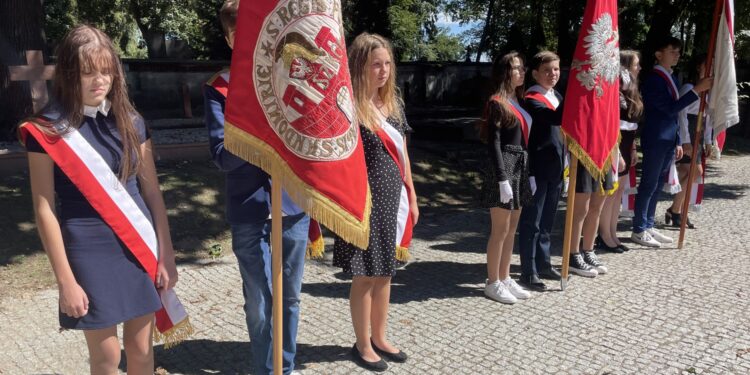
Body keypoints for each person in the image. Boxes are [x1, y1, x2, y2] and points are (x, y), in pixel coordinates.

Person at [20, 25, 177, 374]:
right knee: (106, 358)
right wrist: (65, 281)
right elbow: (44, 207)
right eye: (88, 72)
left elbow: (152, 192)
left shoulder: (133, 122)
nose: (99, 80)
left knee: (141, 351)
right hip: (87, 247)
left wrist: (166, 253)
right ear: (68, 74)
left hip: (138, 244)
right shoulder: (46, 130)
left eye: (106, 70)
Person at [203, 1, 310, 374]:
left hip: (293, 207)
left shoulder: (288, 81)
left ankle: (287, 366)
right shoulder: (219, 88)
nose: (245, 38)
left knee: (290, 296)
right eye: (237, 33)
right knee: (260, 302)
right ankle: (266, 371)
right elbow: (221, 154)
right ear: (230, 38)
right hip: (249, 208)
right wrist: (258, 136)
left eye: (253, 30)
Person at [333, 32, 418, 372]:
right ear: (359, 66)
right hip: (362, 202)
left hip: (392, 200)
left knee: (385, 274)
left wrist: (412, 194)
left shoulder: (393, 103)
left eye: (386, 64)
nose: (383, 71)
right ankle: (362, 343)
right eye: (375, 65)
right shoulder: (348, 107)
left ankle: (381, 337)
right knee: (364, 276)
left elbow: (404, 154)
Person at [631, 36, 712, 247]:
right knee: (648, 183)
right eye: (672, 51)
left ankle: (648, 224)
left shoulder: (671, 78)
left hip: (668, 138)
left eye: (678, 52)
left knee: (657, 184)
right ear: (659, 55)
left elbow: (675, 115)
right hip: (656, 136)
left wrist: (677, 140)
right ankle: (639, 227)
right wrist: (696, 91)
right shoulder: (654, 79)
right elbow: (668, 109)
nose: (677, 55)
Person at [479, 51, 533, 303]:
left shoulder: (518, 100)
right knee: (499, 229)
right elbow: (494, 143)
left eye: (522, 68)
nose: (522, 72)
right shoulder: (497, 102)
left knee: (512, 229)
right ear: (505, 72)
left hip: (520, 165)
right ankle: (492, 282)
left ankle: (505, 276)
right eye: (517, 68)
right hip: (503, 167)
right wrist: (502, 178)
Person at [517, 51, 565, 291]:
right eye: (547, 70)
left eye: (556, 69)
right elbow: (555, 119)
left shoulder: (556, 95)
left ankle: (544, 262)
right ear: (535, 74)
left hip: (556, 167)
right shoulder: (531, 97)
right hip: (537, 168)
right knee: (532, 222)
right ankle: (529, 270)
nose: (553, 74)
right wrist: (577, 91)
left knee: (548, 220)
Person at [597, 50, 644, 253]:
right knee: (610, 194)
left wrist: (632, 149)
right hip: (615, 145)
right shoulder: (615, 93)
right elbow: (611, 125)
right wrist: (616, 151)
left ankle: (612, 233)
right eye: (636, 64)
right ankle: (604, 235)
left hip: (627, 144)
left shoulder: (632, 91)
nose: (639, 68)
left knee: (617, 195)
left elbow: (633, 124)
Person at [666, 53, 709, 229]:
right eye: (708, 64)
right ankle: (675, 210)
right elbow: (681, 115)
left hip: (697, 133)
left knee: (689, 173)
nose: (711, 68)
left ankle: (676, 210)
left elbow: (708, 117)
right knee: (695, 172)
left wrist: (708, 139)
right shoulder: (690, 87)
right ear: (699, 66)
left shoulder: (708, 91)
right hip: (688, 133)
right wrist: (685, 140)